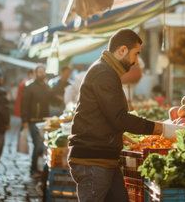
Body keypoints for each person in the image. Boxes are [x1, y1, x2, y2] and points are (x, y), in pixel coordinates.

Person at [68, 29, 163, 202]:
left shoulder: (106, 70)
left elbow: (103, 114)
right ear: (122, 50)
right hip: (93, 160)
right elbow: (118, 117)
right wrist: (158, 128)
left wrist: (117, 135)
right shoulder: (104, 72)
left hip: (104, 158)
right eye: (135, 54)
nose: (135, 61)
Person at [21, 64, 52, 177]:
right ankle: (33, 169)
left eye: (43, 71)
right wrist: (24, 120)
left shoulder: (46, 86)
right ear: (35, 73)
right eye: (40, 72)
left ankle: (38, 168)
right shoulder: (29, 86)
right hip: (33, 120)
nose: (42, 74)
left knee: (42, 146)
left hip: (45, 121)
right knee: (38, 145)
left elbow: (50, 99)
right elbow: (24, 104)